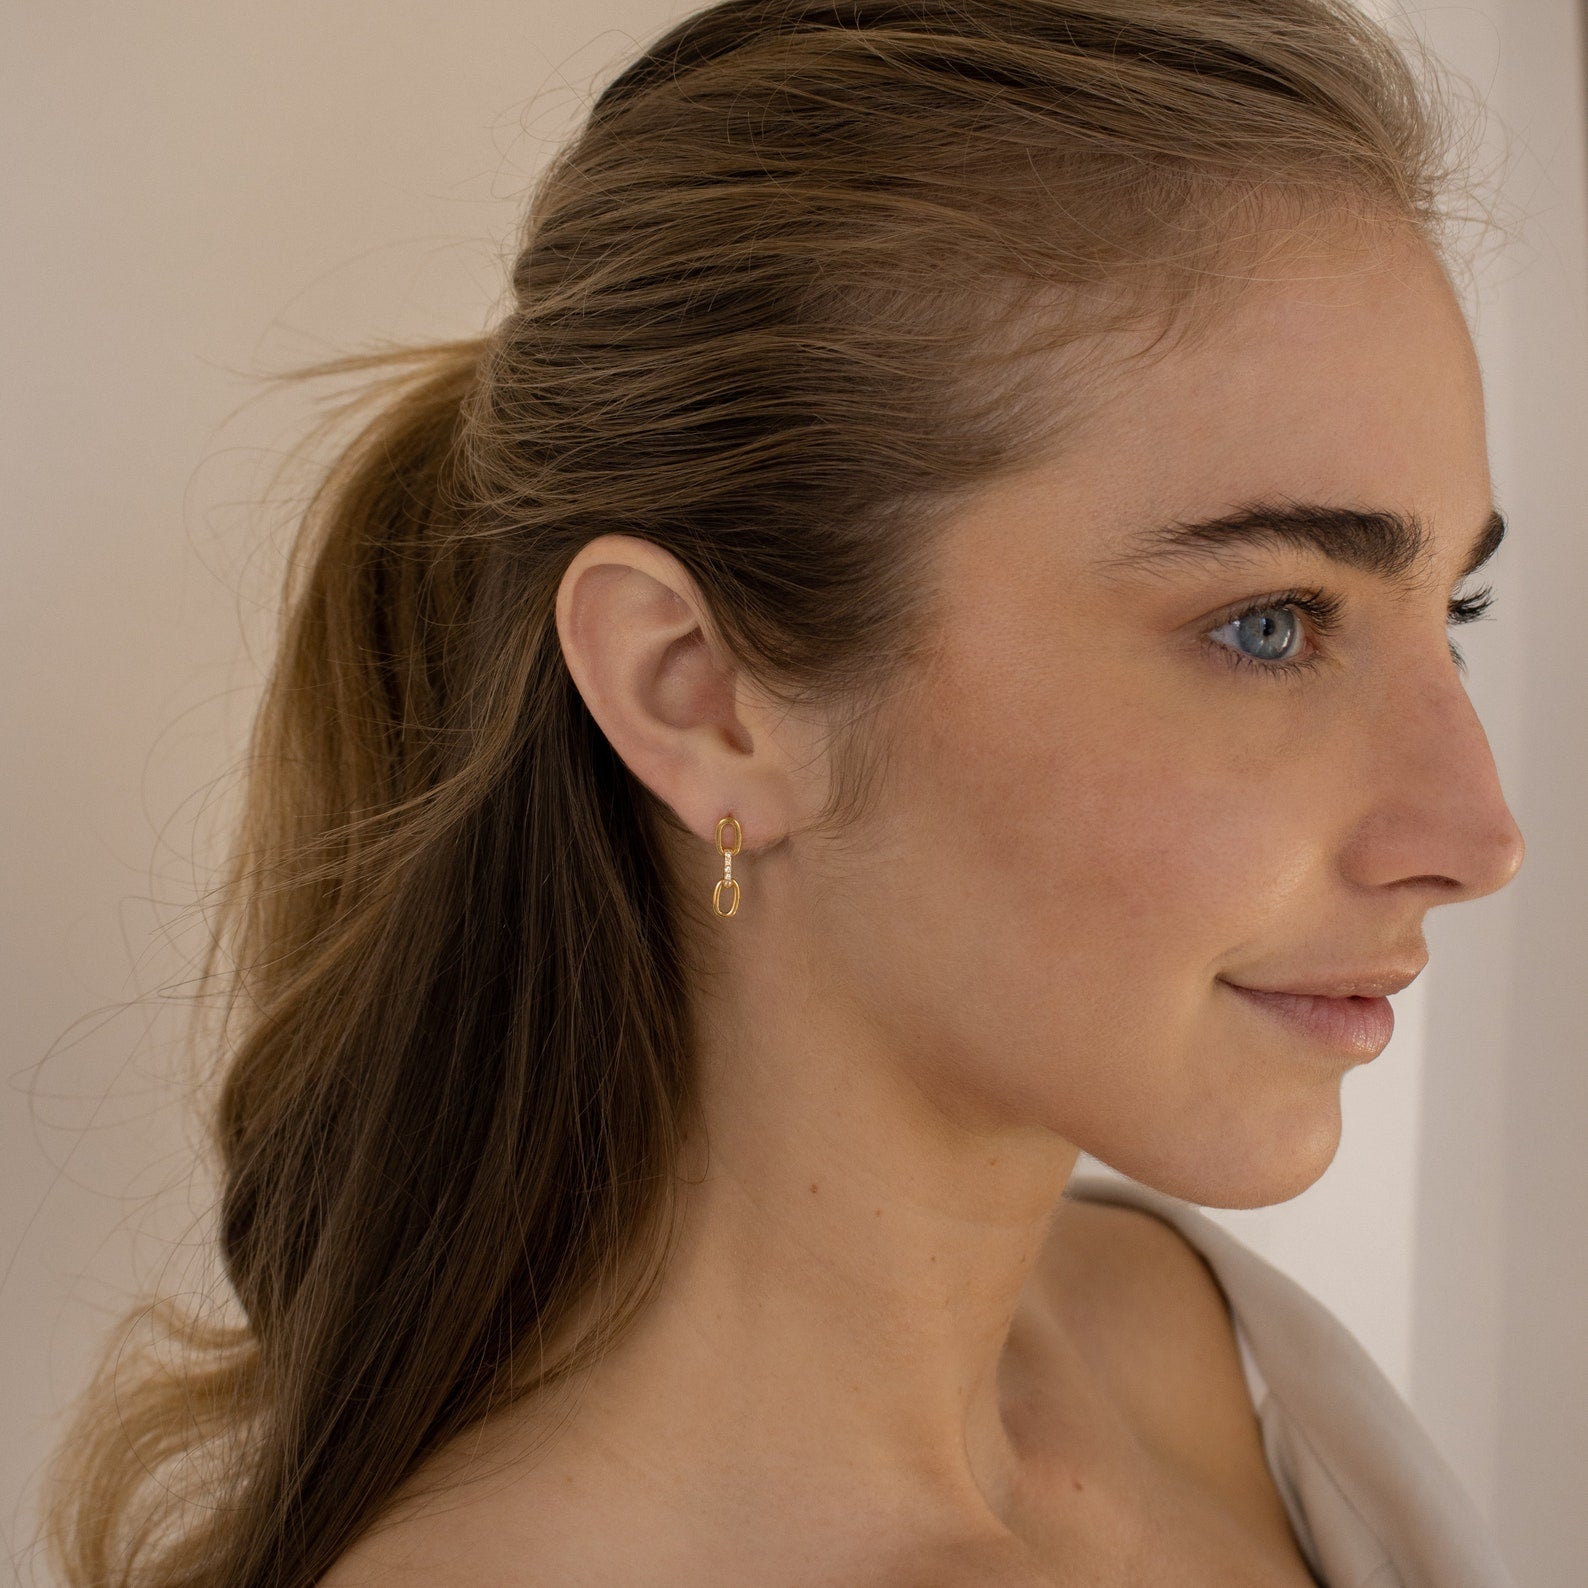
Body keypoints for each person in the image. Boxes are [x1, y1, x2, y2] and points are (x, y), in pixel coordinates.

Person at [40, 1, 1527, 1584]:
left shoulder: (1212, 1347)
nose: (1477, 837)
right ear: (701, 693)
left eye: (1457, 617)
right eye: (1270, 624)